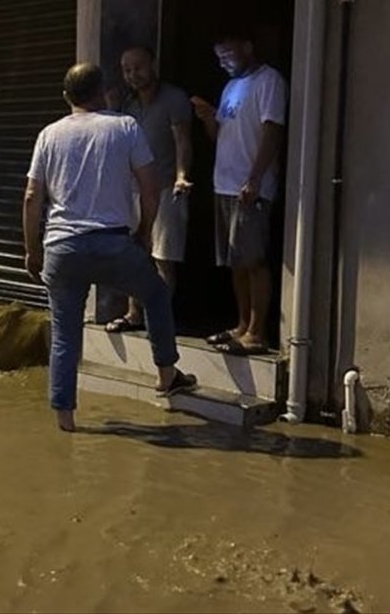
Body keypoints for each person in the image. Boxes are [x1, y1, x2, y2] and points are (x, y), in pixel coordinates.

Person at [23, 62, 197, 432]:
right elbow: (150, 187)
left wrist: (32, 250)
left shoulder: (49, 135)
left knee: (66, 334)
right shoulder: (124, 127)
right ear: (103, 91)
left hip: (61, 248)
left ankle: (65, 420)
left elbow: (32, 197)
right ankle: (166, 376)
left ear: (66, 96)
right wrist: (146, 232)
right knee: (155, 294)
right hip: (113, 244)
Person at [191, 29, 287, 356]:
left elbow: (272, 131)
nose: (224, 63)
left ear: (247, 46)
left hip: (250, 187)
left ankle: (257, 333)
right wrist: (207, 118)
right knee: (236, 261)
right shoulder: (231, 86)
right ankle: (242, 324)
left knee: (254, 260)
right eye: (220, 58)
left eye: (229, 55)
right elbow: (221, 135)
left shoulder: (269, 81)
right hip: (224, 184)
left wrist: (256, 178)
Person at [105, 46, 193, 333]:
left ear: (152, 64)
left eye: (138, 67)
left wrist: (182, 175)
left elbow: (182, 140)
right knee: (134, 255)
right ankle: (134, 314)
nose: (133, 75)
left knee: (163, 257)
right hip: (133, 190)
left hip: (166, 187)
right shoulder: (128, 106)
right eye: (127, 70)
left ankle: (160, 317)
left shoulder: (174, 99)